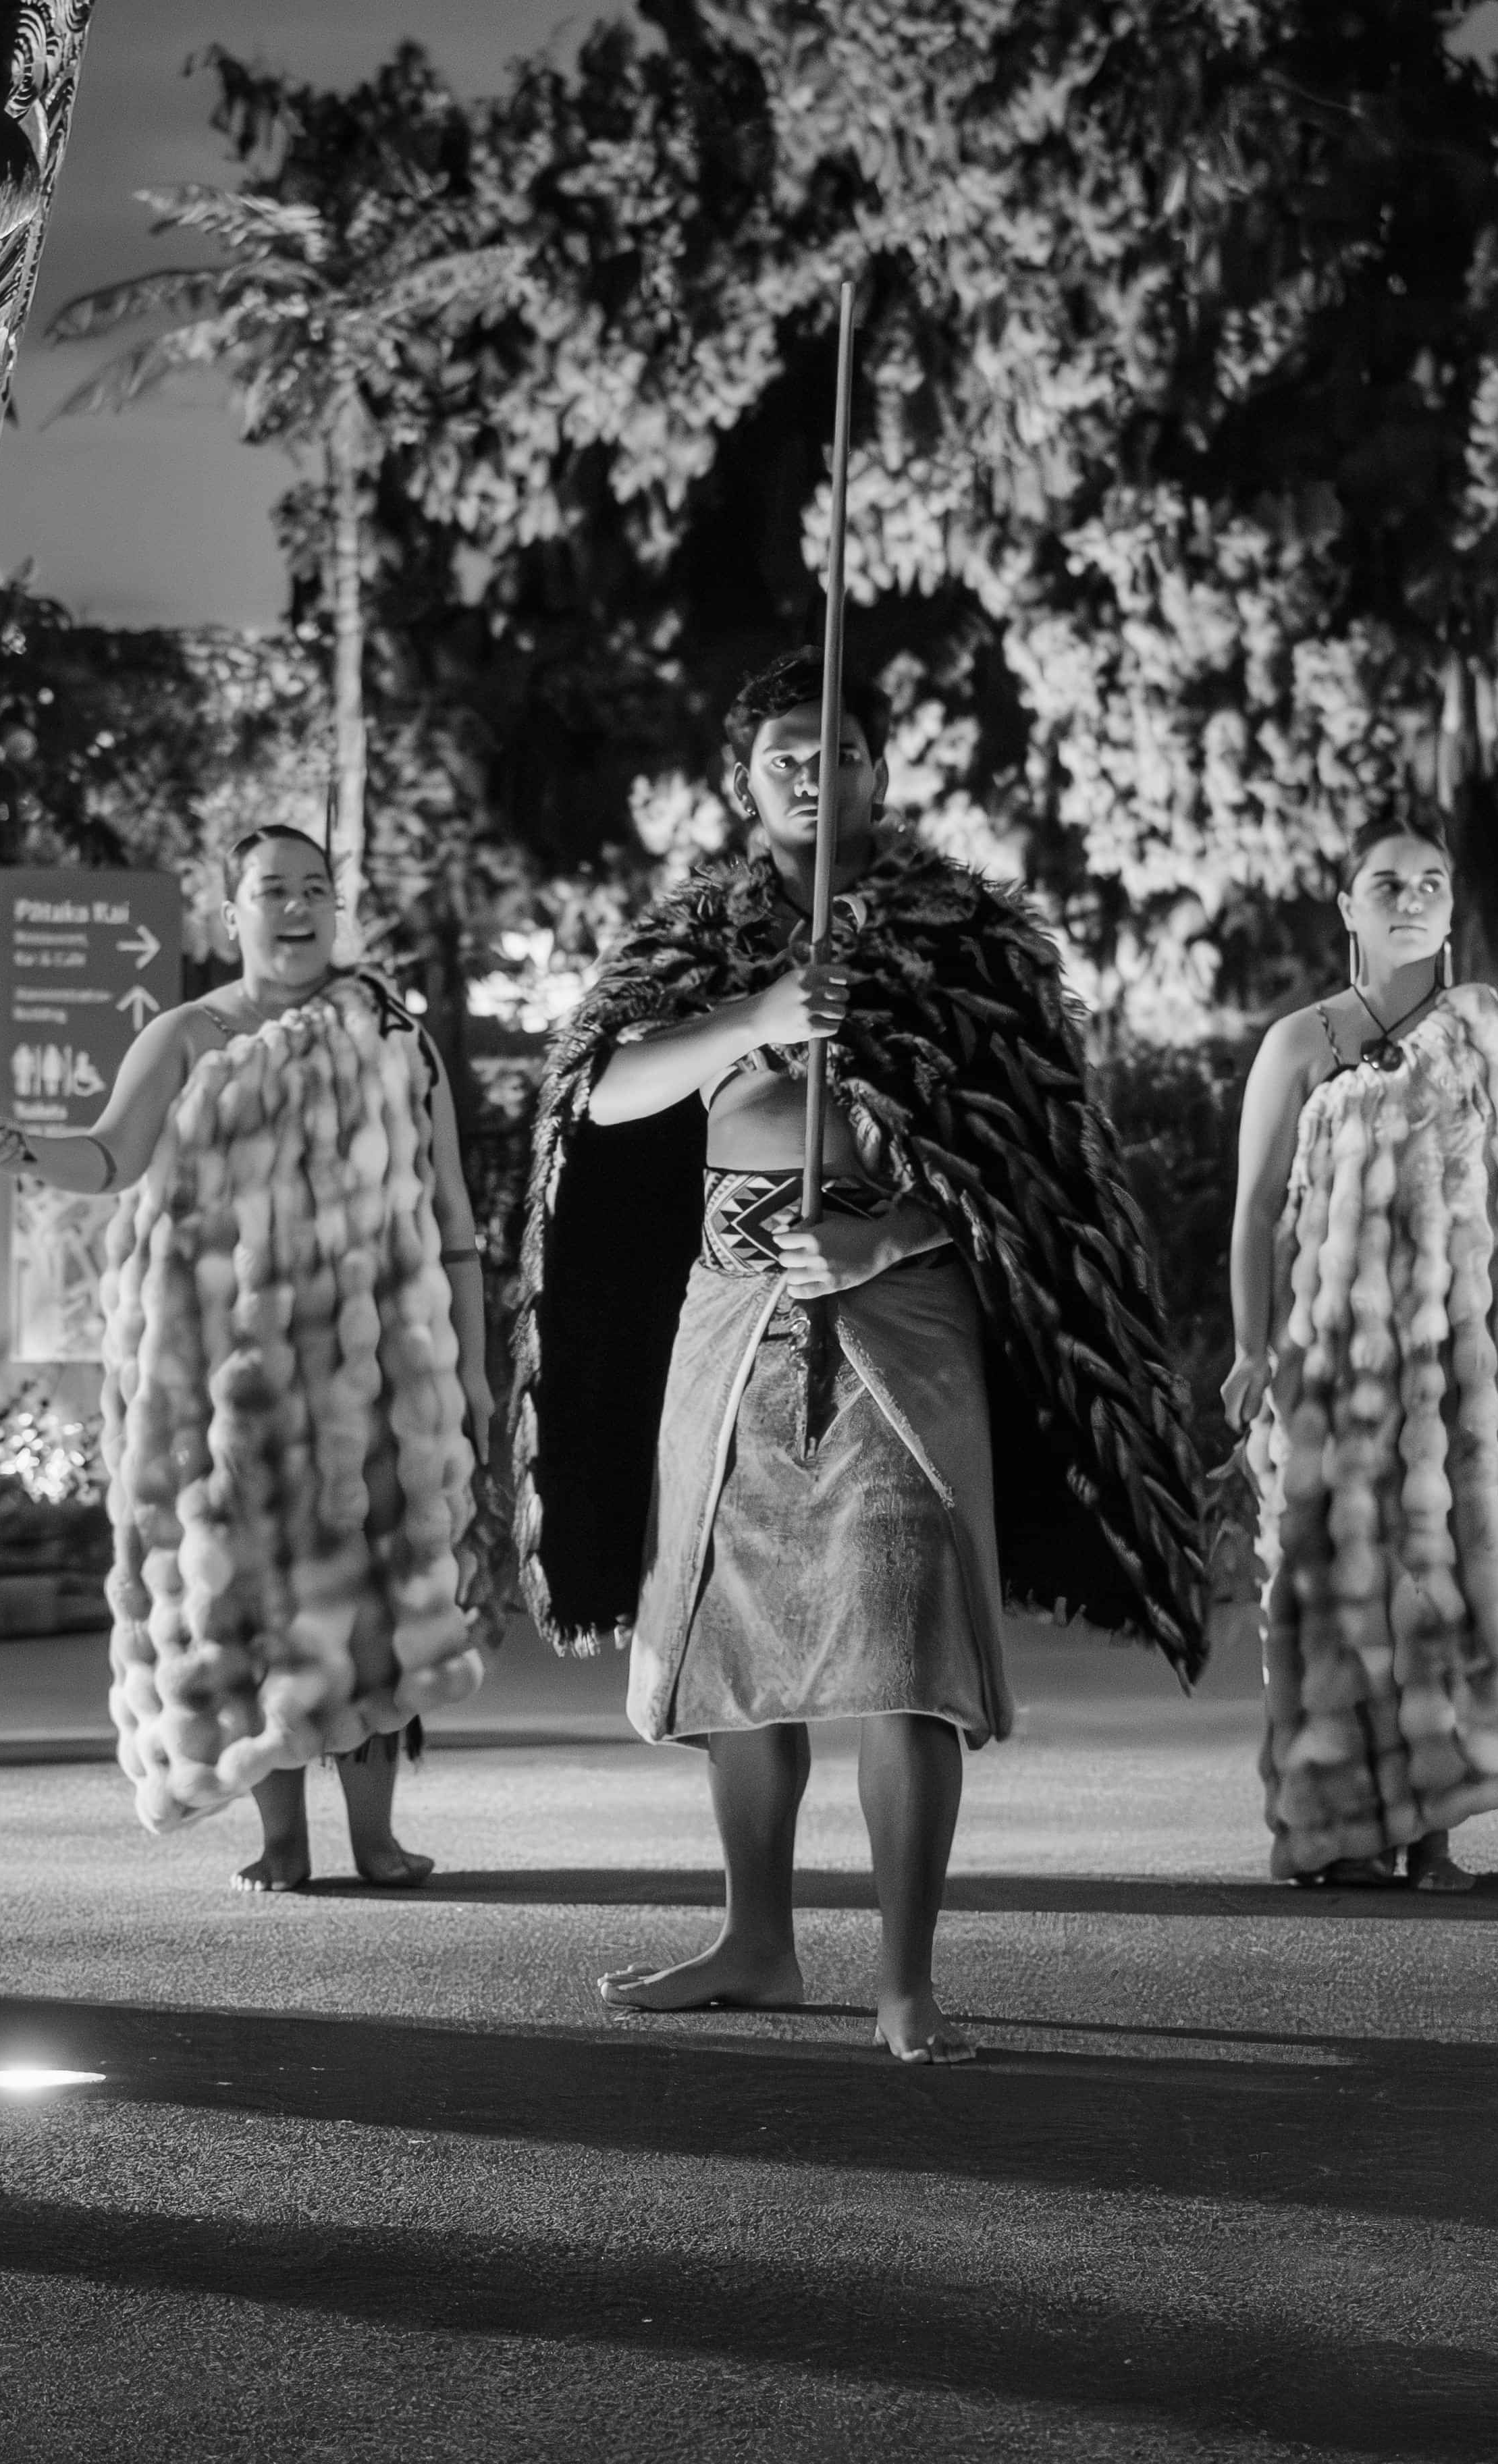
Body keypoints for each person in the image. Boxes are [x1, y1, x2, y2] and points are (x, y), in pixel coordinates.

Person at [512, 648, 1205, 2064]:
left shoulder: (968, 942)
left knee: (903, 1647)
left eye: (833, 753)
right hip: (730, 1311)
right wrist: (758, 1017)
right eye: (780, 756)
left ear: (876, 770)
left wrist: (885, 1238)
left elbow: (1032, 1172)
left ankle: (904, 1977)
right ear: (739, 779)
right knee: (731, 1642)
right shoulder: (692, 937)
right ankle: (756, 1942)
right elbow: (603, 1098)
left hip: (903, 1309)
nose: (806, 776)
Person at [0, 826, 494, 1888]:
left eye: (313, 889)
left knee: (376, 1595)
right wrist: (32, 1150)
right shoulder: (186, 1035)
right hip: (232, 1385)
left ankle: (377, 1837)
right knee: (248, 1599)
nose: (294, 908)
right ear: (230, 911)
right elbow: (111, 1155)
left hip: (376, 1365)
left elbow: (452, 1215)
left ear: (335, 908)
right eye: (270, 890)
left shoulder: (393, 1035)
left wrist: (473, 1366)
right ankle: (281, 1841)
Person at [1224, 815, 1498, 1890]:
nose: (1411, 897)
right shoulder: (1302, 1041)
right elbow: (1256, 1211)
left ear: (1451, 908)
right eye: (1385, 881)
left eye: (1432, 881)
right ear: (1346, 906)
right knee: (1340, 1578)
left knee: (1450, 1578)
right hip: (1336, 1366)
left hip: (1464, 1367)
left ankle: (1436, 1829)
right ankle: (1343, 1821)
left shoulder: (1491, 1033)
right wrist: (1252, 1346)